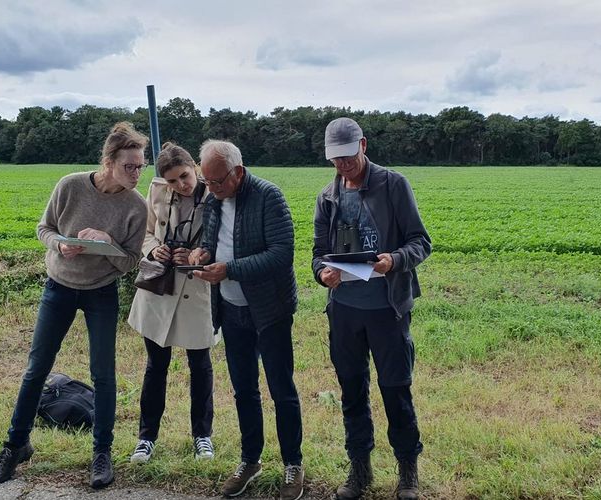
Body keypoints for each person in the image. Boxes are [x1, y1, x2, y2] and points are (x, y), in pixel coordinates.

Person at [0, 122, 149, 489]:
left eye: (141, 166)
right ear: (109, 161)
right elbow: (44, 229)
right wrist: (60, 245)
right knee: (36, 368)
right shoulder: (70, 185)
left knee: (103, 375)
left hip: (101, 292)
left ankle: (101, 453)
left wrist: (108, 242)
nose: (137, 173)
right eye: (130, 166)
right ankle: (15, 445)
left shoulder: (136, 208)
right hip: (58, 286)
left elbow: (130, 262)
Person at [312, 117, 432, 500]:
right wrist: (323, 273)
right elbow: (317, 254)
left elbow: (420, 242)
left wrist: (393, 261)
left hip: (386, 309)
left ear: (363, 146)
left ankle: (407, 472)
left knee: (396, 390)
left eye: (348, 157)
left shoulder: (393, 185)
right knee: (351, 392)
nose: (343, 166)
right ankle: (359, 471)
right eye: (336, 160)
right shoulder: (327, 196)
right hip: (345, 310)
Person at [188, 140, 304, 500]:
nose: (212, 189)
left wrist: (231, 269)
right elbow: (211, 241)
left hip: (270, 310)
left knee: (281, 390)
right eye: (206, 182)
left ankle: (293, 464)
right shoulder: (212, 198)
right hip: (231, 310)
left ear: (238, 172)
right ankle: (250, 459)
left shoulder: (269, 196)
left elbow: (282, 254)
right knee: (244, 391)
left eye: (218, 181)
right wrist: (201, 253)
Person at [126, 142, 221, 464]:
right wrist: (155, 249)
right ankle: (146, 438)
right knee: (156, 366)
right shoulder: (157, 194)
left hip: (198, 290)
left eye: (184, 176)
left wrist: (197, 255)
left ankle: (202, 436)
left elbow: (227, 242)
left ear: (194, 166)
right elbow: (146, 233)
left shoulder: (216, 194)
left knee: (200, 366)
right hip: (159, 289)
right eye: (172, 181)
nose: (181, 185)